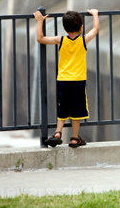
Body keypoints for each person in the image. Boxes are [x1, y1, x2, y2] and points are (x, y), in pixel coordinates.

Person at [34, 9, 100, 148]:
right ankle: (75, 138)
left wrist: (40, 22)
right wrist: (95, 14)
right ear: (81, 27)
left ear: (64, 28)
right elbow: (95, 29)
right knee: (77, 110)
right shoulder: (83, 40)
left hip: (63, 80)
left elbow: (40, 38)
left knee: (63, 107)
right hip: (78, 80)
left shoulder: (61, 40)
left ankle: (58, 133)